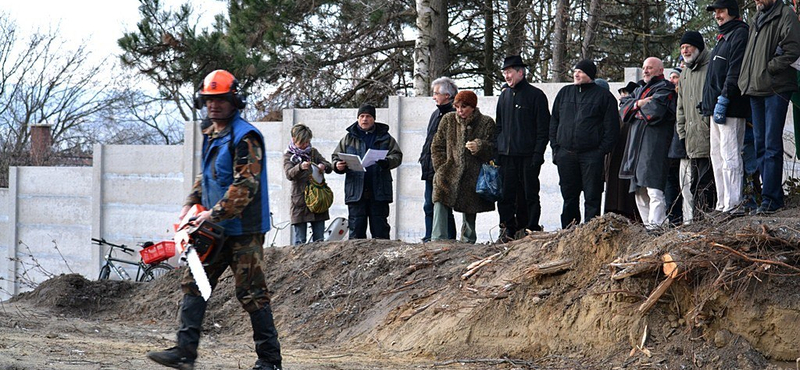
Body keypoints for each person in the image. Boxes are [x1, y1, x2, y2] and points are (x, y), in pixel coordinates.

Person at [147, 70, 282, 370]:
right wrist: (190, 204)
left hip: (243, 231)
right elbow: (206, 175)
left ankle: (270, 361)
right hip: (213, 229)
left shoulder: (245, 136)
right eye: (209, 100)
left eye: (220, 99)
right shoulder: (212, 134)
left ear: (234, 100)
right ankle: (185, 353)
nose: (214, 106)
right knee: (194, 282)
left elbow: (245, 185)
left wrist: (213, 213)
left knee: (252, 293)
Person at [738, 0, 800, 215]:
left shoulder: (785, 14)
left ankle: (771, 199)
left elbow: (792, 49)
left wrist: (769, 68)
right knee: (760, 144)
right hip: (756, 88)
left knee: (772, 144)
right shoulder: (757, 18)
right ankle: (771, 196)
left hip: (775, 87)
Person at [550, 59, 619, 228]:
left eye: (580, 71)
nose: (576, 74)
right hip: (566, 155)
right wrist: (556, 148)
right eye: (575, 71)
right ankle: (568, 232)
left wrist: (600, 152)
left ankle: (590, 233)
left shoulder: (604, 97)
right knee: (569, 197)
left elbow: (612, 129)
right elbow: (554, 122)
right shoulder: (564, 93)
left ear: (590, 74)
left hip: (591, 156)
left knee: (592, 197)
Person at [701, 0, 751, 217]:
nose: (717, 15)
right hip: (716, 106)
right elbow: (714, 75)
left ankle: (734, 203)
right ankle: (722, 203)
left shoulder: (739, 33)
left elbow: (735, 69)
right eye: (715, 12)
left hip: (730, 105)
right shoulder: (723, 37)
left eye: (720, 11)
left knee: (730, 155)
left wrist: (725, 96)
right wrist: (707, 103)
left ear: (732, 11)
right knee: (717, 156)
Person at [495, 55, 550, 241]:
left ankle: (531, 228)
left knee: (529, 194)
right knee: (506, 195)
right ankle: (507, 229)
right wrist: (499, 150)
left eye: (509, 72)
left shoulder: (536, 96)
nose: (506, 76)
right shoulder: (504, 96)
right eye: (504, 73)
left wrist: (538, 154)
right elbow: (499, 126)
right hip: (507, 156)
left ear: (520, 72)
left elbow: (544, 129)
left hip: (528, 156)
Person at [430, 91, 496, 243]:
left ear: (473, 107)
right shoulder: (448, 120)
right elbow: (437, 146)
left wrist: (480, 146)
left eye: (464, 107)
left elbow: (493, 149)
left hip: (473, 173)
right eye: (457, 107)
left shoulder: (486, 122)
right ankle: (438, 239)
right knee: (440, 200)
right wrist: (441, 167)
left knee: (470, 208)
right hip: (448, 171)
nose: (460, 111)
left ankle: (468, 242)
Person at [619, 57, 677, 229]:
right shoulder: (640, 90)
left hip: (655, 145)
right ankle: (649, 229)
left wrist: (633, 108)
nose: (645, 71)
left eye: (650, 68)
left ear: (660, 70)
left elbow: (653, 112)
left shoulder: (665, 88)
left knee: (654, 189)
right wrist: (638, 103)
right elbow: (623, 109)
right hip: (636, 147)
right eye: (644, 67)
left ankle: (657, 228)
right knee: (639, 191)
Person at [332, 103, 403, 239]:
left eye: (368, 116)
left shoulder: (385, 137)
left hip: (379, 190)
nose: (365, 119)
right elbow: (335, 157)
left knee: (380, 230)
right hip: (356, 191)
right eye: (362, 116)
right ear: (358, 118)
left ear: (374, 119)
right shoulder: (348, 138)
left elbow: (397, 156)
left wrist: (387, 162)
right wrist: (337, 166)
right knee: (356, 230)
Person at [676, 31, 715, 224]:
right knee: (695, 185)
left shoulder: (711, 66)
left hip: (710, 135)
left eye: (688, 46)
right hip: (692, 138)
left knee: (708, 182)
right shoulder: (685, 74)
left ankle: (708, 221)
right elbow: (681, 107)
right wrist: (682, 133)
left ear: (698, 46)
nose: (685, 50)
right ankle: (698, 222)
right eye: (682, 48)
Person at [419, 77, 457, 242]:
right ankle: (429, 237)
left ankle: (448, 237)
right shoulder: (436, 114)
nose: (434, 97)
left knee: (444, 206)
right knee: (428, 205)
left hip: (443, 168)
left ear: (447, 95)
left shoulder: (453, 115)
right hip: (429, 167)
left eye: (436, 93)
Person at [283, 123, 333, 244]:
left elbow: (329, 166)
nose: (306, 145)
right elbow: (289, 174)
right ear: (294, 140)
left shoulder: (313, 152)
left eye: (307, 142)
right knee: (300, 242)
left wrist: (323, 166)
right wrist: (299, 167)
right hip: (300, 201)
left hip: (318, 200)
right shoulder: (289, 155)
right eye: (302, 142)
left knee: (319, 241)